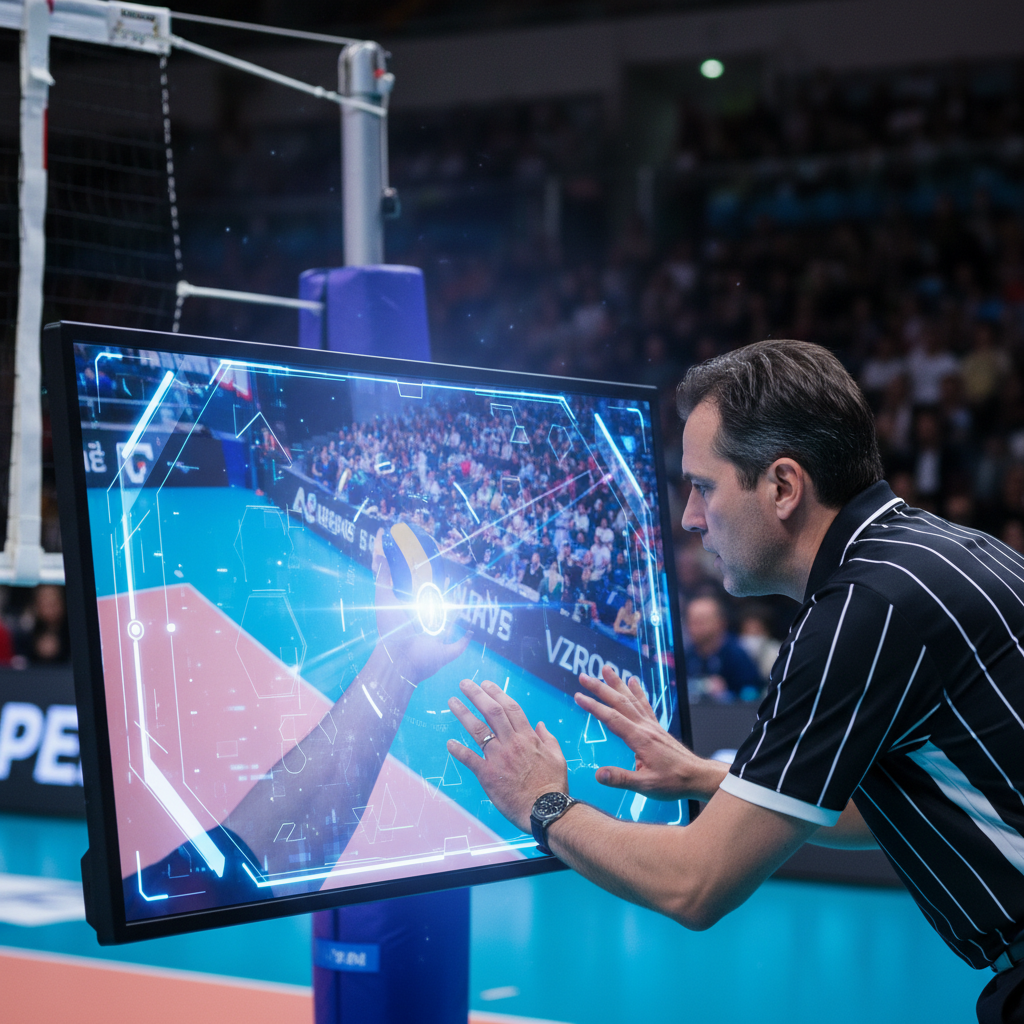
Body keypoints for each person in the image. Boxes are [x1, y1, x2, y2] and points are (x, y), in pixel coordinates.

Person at [444, 339, 1024, 1024]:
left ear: (782, 487)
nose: (690, 516)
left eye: (704, 486)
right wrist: (706, 777)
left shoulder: (862, 612)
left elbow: (697, 884)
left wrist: (541, 805)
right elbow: (906, 803)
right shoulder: (940, 553)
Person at [683, 592, 762, 702]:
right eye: (691, 621)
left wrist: (727, 695)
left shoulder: (736, 655)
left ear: (721, 622)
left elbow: (753, 694)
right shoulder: (686, 655)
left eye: (701, 621)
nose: (694, 627)